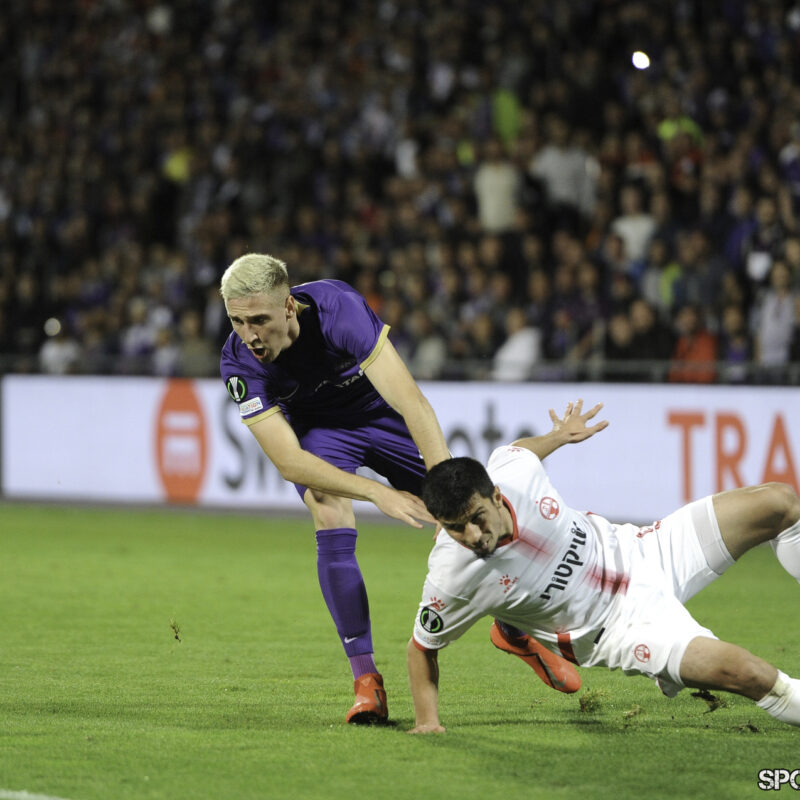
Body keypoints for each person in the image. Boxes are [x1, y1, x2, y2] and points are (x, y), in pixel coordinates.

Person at [218, 253, 576, 724]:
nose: (249, 335)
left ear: (288, 307)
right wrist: (376, 492)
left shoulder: (338, 308)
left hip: (380, 416)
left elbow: (412, 403)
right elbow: (289, 461)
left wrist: (445, 492)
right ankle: (366, 681)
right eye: (237, 321)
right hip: (322, 434)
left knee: (466, 511)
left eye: (259, 320)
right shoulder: (238, 362)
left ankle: (512, 629)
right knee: (327, 506)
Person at [406, 400, 800, 734]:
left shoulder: (515, 473)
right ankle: (669, 663)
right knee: (755, 678)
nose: (473, 535)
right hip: (620, 628)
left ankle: (668, 667)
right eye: (455, 528)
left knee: (781, 503)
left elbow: (520, 450)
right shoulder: (451, 574)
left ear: (495, 495)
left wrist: (559, 436)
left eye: (476, 518)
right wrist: (428, 721)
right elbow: (421, 648)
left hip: (646, 550)